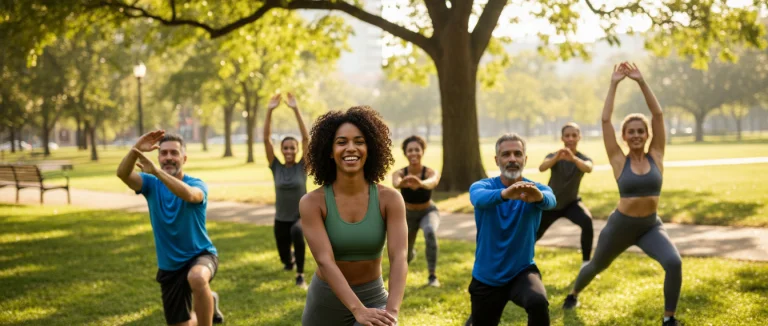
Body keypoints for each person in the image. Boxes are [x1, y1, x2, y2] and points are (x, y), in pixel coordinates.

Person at [562, 62, 682, 326]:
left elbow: (658, 115)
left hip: (651, 226)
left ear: (648, 134)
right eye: (632, 132)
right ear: (624, 137)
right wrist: (614, 83)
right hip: (621, 226)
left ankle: (669, 318)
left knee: (673, 262)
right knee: (595, 266)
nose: (637, 135)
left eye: (641, 131)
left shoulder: (657, 156)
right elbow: (605, 120)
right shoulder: (619, 160)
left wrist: (641, 81)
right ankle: (573, 294)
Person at [299, 106, 408, 326]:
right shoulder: (312, 203)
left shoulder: (390, 200)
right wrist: (357, 309)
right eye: (341, 142)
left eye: (359, 141)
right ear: (330, 151)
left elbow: (399, 257)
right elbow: (325, 260)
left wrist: (392, 311)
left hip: (374, 298)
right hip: (326, 303)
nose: (351, 148)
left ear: (370, 148)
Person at [116, 131, 224, 326]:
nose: (168, 158)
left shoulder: (196, 184)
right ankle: (210, 301)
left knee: (197, 278)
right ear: (158, 157)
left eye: (174, 153)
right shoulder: (150, 185)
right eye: (163, 153)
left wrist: (157, 172)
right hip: (170, 266)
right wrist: (136, 149)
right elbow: (122, 174)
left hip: (200, 255)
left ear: (184, 158)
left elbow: (190, 195)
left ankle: (205, 306)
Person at [466, 133, 556, 326]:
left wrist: (538, 197)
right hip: (487, 276)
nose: (512, 159)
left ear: (525, 159)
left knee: (538, 302)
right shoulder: (482, 186)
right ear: (497, 160)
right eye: (506, 154)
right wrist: (507, 193)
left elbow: (551, 200)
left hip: (521, 271)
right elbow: (478, 199)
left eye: (517, 153)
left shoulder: (535, 189)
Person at [264, 93, 310, 287]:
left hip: (300, 216)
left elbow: (306, 138)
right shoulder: (276, 167)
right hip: (281, 218)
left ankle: (300, 275)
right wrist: (269, 111)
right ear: (281, 150)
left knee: (298, 234)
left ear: (297, 150)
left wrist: (295, 109)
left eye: (292, 148)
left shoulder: (303, 166)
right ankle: (289, 261)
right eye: (286, 148)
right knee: (283, 256)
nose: (289, 151)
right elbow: (266, 139)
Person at [536, 122, 594, 265]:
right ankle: (518, 260)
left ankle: (586, 263)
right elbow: (542, 167)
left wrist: (573, 158)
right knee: (533, 234)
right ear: (562, 138)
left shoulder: (583, 158)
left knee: (587, 221)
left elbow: (588, 168)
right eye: (567, 136)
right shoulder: (553, 156)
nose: (570, 139)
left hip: (571, 204)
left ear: (579, 137)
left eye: (574, 135)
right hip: (551, 204)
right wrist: (557, 157)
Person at [391, 135, 441, 287]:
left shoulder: (430, 172)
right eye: (410, 150)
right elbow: (396, 183)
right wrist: (403, 183)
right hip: (407, 215)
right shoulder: (400, 173)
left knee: (430, 231)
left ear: (422, 151)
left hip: (428, 211)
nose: (414, 153)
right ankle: (409, 257)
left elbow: (432, 182)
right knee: (406, 251)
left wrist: (420, 183)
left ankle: (432, 276)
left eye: (417, 150)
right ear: (405, 153)